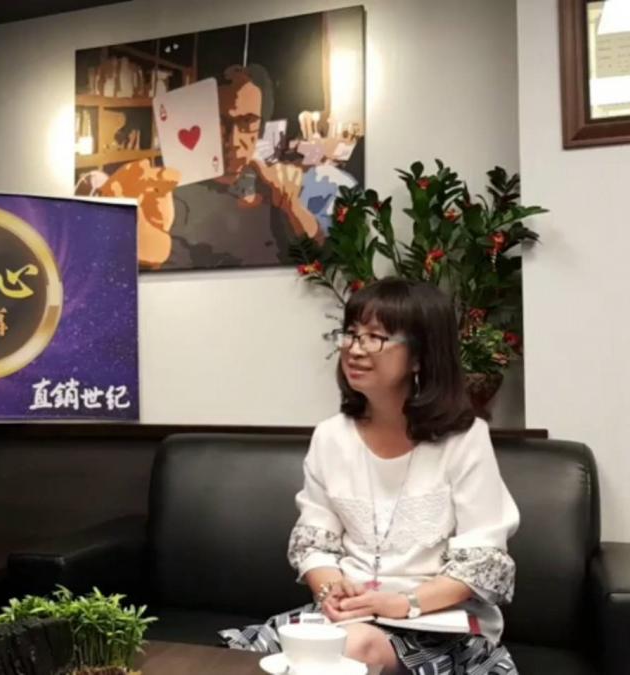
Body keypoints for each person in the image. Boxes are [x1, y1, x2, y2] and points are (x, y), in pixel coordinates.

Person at [221, 278, 520, 674]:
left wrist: (402, 603)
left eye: (375, 337)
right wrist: (331, 589)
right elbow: (314, 544)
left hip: (438, 624)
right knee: (235, 657)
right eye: (351, 333)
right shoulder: (330, 437)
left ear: (419, 357)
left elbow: (483, 561)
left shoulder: (464, 439)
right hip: (350, 618)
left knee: (351, 648)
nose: (355, 348)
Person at [97, 64, 322, 269]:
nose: (234, 140)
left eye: (247, 122)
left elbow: (323, 263)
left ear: (261, 126)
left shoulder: (272, 185)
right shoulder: (171, 198)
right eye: (221, 123)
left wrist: (293, 207)